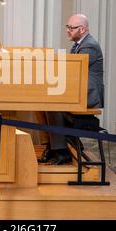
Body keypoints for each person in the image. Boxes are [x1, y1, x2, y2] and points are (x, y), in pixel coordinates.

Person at [39, 14, 104, 165]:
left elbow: (72, 72)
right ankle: (55, 145)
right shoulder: (80, 44)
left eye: (71, 28)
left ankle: (61, 151)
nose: (68, 30)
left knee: (52, 105)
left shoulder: (89, 46)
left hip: (87, 94)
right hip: (78, 90)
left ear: (82, 29)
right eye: (67, 27)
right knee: (41, 103)